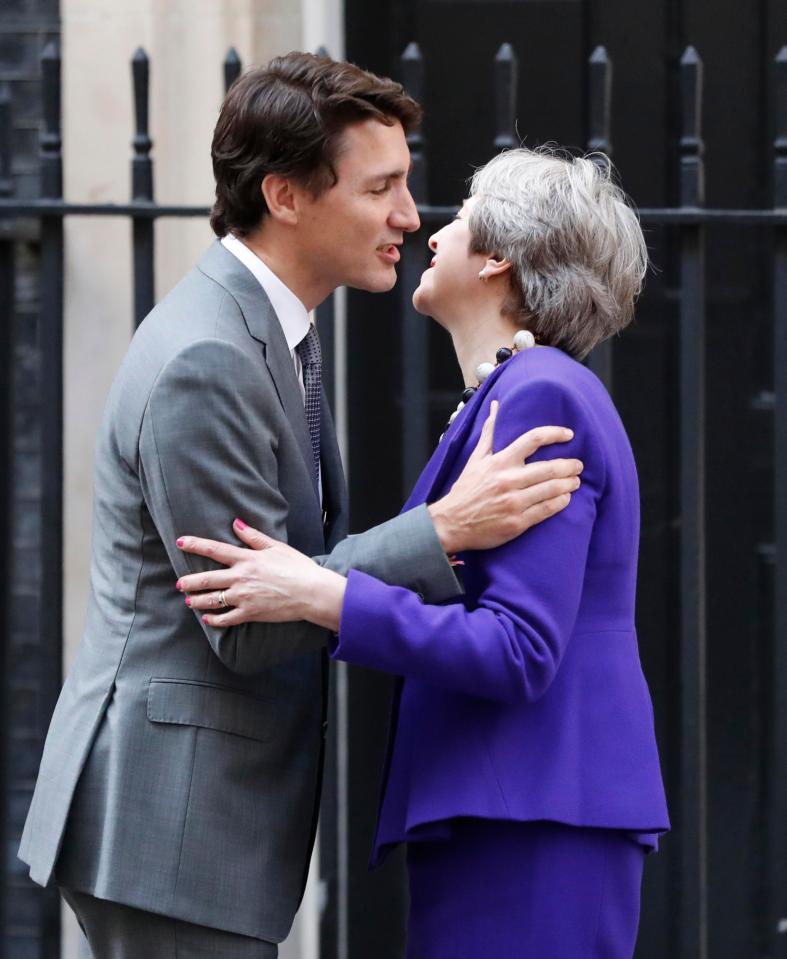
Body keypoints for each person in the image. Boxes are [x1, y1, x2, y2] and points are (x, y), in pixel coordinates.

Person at [18, 56, 583, 957]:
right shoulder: (209, 359)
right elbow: (247, 624)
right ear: (284, 196)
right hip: (170, 830)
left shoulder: (270, 337)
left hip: (197, 831)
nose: (409, 215)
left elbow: (287, 577)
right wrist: (443, 531)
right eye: (382, 187)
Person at [177, 146, 671, 958]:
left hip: (532, 819)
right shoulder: (510, 392)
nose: (429, 234)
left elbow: (518, 650)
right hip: (515, 810)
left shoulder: (538, 392)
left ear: (501, 256)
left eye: (458, 219)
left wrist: (322, 595)